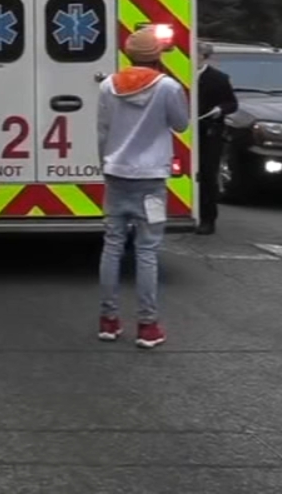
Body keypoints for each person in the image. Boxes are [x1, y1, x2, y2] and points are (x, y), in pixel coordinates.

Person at [96, 26, 189, 349]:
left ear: (129, 54)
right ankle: (147, 326)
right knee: (147, 251)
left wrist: (104, 165)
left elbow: (102, 131)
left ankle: (108, 321)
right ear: (157, 56)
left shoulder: (108, 86)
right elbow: (181, 124)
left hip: (116, 175)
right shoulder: (168, 87)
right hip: (151, 180)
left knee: (112, 246)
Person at [196, 42, 238, 235]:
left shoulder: (218, 79)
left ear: (205, 56)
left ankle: (207, 219)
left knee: (207, 175)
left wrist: (219, 109)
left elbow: (232, 103)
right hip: (183, 131)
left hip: (209, 133)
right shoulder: (177, 74)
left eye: (197, 54)